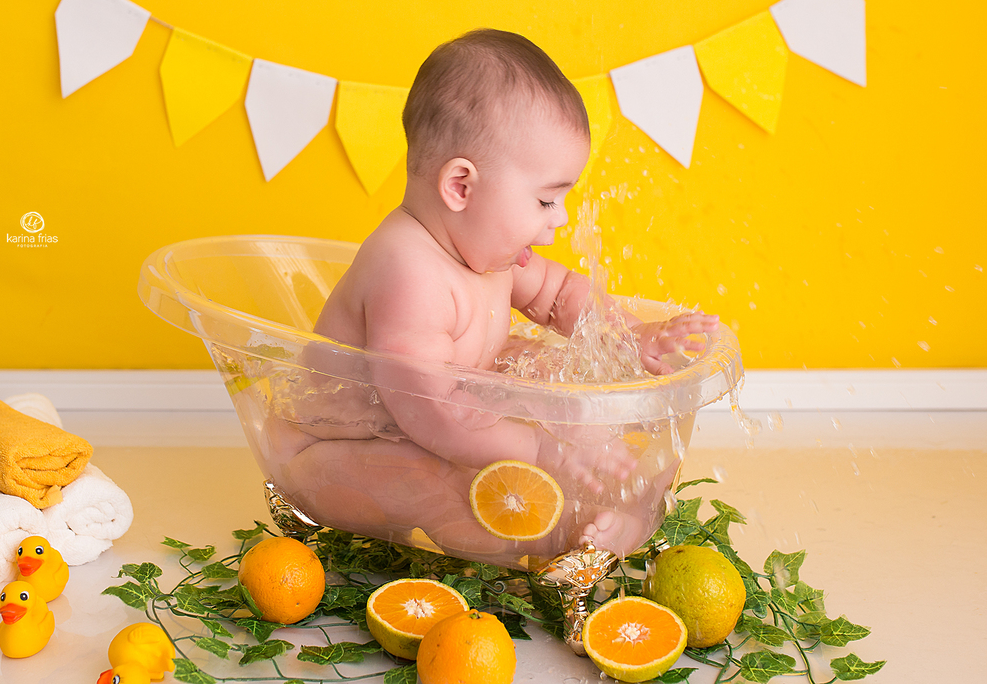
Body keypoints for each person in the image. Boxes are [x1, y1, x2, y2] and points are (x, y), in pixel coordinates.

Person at [264, 29, 718, 563]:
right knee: (442, 479)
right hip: (326, 455)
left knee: (550, 374)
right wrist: (546, 450)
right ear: (461, 186)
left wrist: (624, 337)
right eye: (547, 200)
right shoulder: (407, 273)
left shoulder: (488, 249)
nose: (562, 219)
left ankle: (611, 493)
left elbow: (558, 294)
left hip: (414, 426)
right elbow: (432, 414)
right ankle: (561, 541)